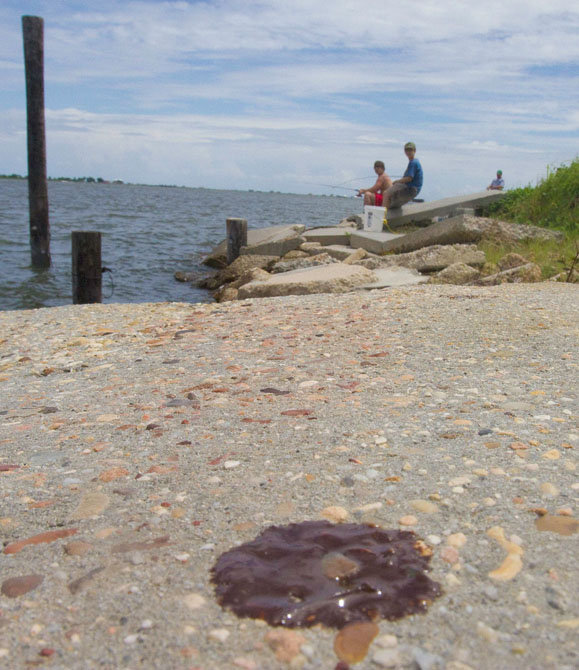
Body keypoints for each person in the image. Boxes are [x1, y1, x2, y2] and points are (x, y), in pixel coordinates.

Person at [382, 142, 423, 209]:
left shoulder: (413, 163)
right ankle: (388, 213)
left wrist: (398, 181)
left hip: (412, 188)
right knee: (392, 201)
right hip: (413, 188)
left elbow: (409, 178)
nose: (408, 152)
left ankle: (382, 217)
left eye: (410, 150)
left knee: (386, 193)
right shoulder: (414, 162)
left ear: (414, 151)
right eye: (407, 150)